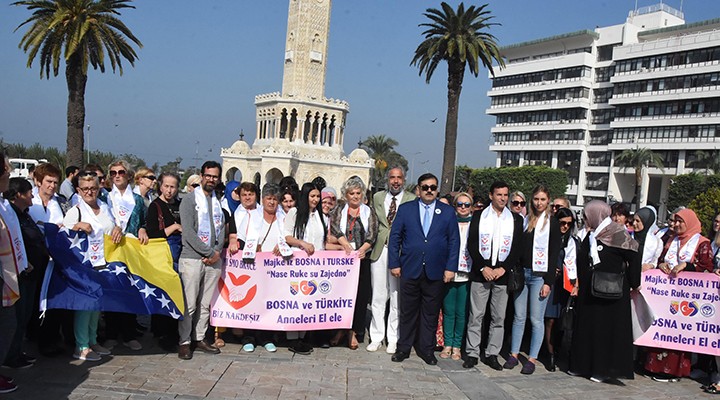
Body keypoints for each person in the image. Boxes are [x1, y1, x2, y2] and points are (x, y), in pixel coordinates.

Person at [388, 173, 460, 365]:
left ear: (437, 190)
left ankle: (426, 350)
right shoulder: (406, 210)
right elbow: (395, 238)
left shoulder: (446, 211)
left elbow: (454, 241)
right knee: (408, 312)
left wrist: (450, 268)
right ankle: (403, 348)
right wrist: (394, 263)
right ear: (418, 189)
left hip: (436, 271)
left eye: (433, 187)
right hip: (410, 269)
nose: (429, 191)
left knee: (430, 313)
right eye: (425, 187)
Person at [569, 200, 640, 383]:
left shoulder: (617, 233)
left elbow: (634, 255)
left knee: (605, 331)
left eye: (587, 215)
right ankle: (582, 365)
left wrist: (634, 282)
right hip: (590, 292)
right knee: (588, 329)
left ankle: (602, 369)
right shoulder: (592, 235)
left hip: (612, 293)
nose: (585, 219)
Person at [644, 208, 714, 382]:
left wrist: (687, 266)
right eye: (674, 221)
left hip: (688, 297)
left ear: (688, 222)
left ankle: (674, 371)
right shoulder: (670, 240)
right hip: (665, 294)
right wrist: (661, 266)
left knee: (678, 331)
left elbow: (707, 268)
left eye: (679, 221)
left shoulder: (702, 243)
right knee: (662, 327)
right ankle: (655, 366)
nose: (674, 225)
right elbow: (661, 259)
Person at [464, 181, 524, 370]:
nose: (503, 198)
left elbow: (516, 248)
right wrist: (483, 267)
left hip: (502, 274)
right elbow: (472, 244)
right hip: (481, 272)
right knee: (476, 316)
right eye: (499, 195)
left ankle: (492, 353)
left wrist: (503, 268)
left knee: (499, 318)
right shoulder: (479, 215)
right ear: (491, 195)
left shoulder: (515, 219)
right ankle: (472, 353)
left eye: (506, 195)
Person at [63, 172, 121, 361]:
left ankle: (93, 339)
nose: (90, 192)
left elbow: (114, 226)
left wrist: (118, 229)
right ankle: (81, 345)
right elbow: (62, 233)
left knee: (96, 306)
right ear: (79, 190)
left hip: (103, 264)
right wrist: (77, 225)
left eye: (93, 188)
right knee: (85, 306)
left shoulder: (105, 207)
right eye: (85, 189)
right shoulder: (76, 210)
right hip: (84, 267)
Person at [505, 185, 561, 374]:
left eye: (543, 199)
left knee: (536, 319)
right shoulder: (525, 219)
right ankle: (513, 354)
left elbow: (554, 254)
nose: (539, 203)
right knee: (518, 317)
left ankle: (532, 358)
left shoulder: (552, 223)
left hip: (540, 276)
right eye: (536, 199)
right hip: (523, 273)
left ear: (548, 201)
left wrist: (548, 282)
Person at [177, 161, 225, 360]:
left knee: (205, 303)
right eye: (208, 175)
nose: (211, 179)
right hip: (192, 258)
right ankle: (184, 341)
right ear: (202, 175)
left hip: (213, 260)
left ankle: (199, 337)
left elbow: (221, 229)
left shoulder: (217, 202)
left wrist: (215, 252)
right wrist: (207, 251)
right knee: (189, 303)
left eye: (215, 176)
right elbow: (188, 232)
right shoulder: (189, 200)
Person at [367, 166, 415, 354]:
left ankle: (393, 337)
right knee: (378, 296)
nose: (395, 181)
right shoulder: (378, 197)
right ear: (388, 179)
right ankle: (376, 336)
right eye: (392, 177)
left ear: (404, 179)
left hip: (401, 252)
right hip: (380, 250)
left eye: (399, 178)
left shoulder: (411, 199)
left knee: (396, 296)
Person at [233, 183, 285, 353]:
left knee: (269, 302)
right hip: (253, 265)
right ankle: (249, 337)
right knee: (252, 300)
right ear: (263, 199)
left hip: (275, 267)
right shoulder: (252, 216)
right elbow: (240, 238)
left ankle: (266, 336)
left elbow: (289, 237)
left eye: (275, 199)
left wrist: (282, 245)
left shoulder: (283, 217)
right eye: (269, 199)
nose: (272, 202)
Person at [104, 160, 148, 351]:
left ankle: (129, 334)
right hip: (111, 251)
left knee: (130, 291)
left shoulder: (138, 200)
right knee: (112, 291)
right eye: (113, 173)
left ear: (129, 175)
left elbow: (145, 222)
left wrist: (143, 229)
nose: (117, 176)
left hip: (130, 251)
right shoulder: (105, 198)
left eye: (121, 172)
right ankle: (111, 333)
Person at [330, 177, 378, 350]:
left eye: (358, 193)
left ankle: (354, 331)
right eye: (352, 193)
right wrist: (346, 246)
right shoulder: (339, 210)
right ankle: (342, 329)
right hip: (342, 259)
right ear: (346, 195)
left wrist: (362, 249)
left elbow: (372, 234)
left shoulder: (368, 211)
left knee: (359, 296)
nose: (355, 196)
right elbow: (335, 228)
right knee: (341, 295)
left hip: (361, 259)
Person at [27, 162, 70, 356]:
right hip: (34, 258)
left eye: (55, 182)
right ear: (38, 181)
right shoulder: (30, 202)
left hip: (55, 258)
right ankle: (34, 336)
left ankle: (51, 338)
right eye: (48, 181)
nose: (52, 186)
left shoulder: (60, 202)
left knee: (53, 299)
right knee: (35, 299)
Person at [3, 178, 45, 370]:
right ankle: (11, 356)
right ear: (18, 194)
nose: (32, 195)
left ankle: (17, 351)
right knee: (17, 318)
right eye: (29, 192)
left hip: (31, 274)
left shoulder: (24, 214)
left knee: (25, 316)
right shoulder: (10, 215)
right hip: (19, 274)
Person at [283, 182, 326, 355]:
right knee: (296, 300)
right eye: (312, 196)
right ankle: (293, 338)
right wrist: (302, 243)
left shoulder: (320, 215)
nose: (315, 200)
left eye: (317, 196)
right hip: (297, 264)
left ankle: (303, 336)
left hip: (315, 266)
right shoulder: (294, 213)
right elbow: (286, 235)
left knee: (309, 301)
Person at [146, 172, 183, 352]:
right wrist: (174, 228)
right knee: (162, 292)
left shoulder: (180, 205)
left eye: (173, 186)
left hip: (178, 253)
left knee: (176, 292)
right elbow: (152, 233)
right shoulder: (155, 206)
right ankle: (161, 333)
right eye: (166, 186)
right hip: (162, 252)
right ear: (160, 186)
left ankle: (173, 331)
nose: (169, 190)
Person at [0, 153, 26, 393]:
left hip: (8, 275)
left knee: (9, 324)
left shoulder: (3, 204)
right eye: (6, 168)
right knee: (7, 325)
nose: (9, 172)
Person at [543, 207, 579, 372]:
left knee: (561, 320)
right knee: (549, 319)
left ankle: (558, 350)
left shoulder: (574, 242)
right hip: (550, 282)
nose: (565, 227)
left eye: (568, 224)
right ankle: (549, 354)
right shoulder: (547, 238)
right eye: (562, 223)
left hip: (565, 285)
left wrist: (576, 283)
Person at [440, 192, 472, 361]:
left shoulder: (475, 224)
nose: (463, 208)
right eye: (460, 204)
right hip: (450, 272)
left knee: (461, 312)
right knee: (449, 311)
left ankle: (457, 346)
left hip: (467, 273)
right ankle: (448, 344)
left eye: (467, 205)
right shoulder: (448, 222)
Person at [633, 207, 662, 272]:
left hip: (644, 277)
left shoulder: (657, 242)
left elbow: (655, 262)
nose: (634, 223)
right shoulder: (627, 237)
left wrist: (649, 266)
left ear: (646, 222)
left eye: (637, 221)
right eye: (633, 220)